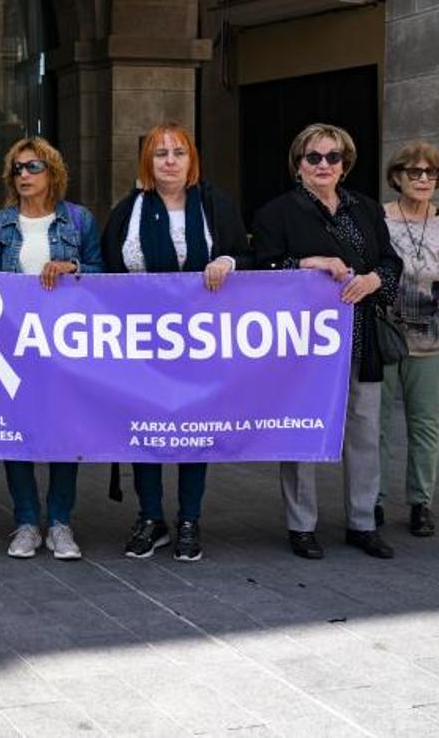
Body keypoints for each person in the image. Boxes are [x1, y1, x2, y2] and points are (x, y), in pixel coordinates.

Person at [101, 122, 250, 562]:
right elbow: (106, 270)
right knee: (144, 430)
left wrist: (227, 259)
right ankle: (150, 517)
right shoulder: (127, 211)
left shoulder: (214, 207)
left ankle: (189, 518)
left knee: (192, 430)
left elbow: (248, 255)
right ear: (148, 161)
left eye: (178, 152)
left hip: (197, 341)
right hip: (141, 341)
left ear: (192, 160)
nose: (169, 160)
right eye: (160, 153)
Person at [253, 122, 401, 560]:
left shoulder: (367, 210)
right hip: (304, 346)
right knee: (302, 431)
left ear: (345, 164)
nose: (323, 165)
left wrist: (375, 279)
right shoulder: (275, 213)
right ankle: (302, 525)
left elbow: (390, 261)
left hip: (361, 336)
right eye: (313, 157)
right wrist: (305, 262)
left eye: (332, 157)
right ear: (298, 165)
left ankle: (362, 521)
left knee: (364, 432)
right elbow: (260, 272)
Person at [0, 137, 102, 561]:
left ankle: (61, 522)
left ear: (53, 172)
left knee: (65, 433)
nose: (24, 175)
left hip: (65, 347)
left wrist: (74, 267)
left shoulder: (79, 221)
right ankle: (27, 521)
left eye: (33, 167)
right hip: (13, 347)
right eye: (17, 169)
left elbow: (102, 273)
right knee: (18, 435)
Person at [378, 141, 439, 537]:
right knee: (375, 425)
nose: (422, 179)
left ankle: (421, 503)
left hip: (431, 340)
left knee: (425, 425)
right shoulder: (378, 218)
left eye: (430, 173)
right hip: (384, 335)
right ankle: (373, 500)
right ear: (397, 177)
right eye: (414, 172)